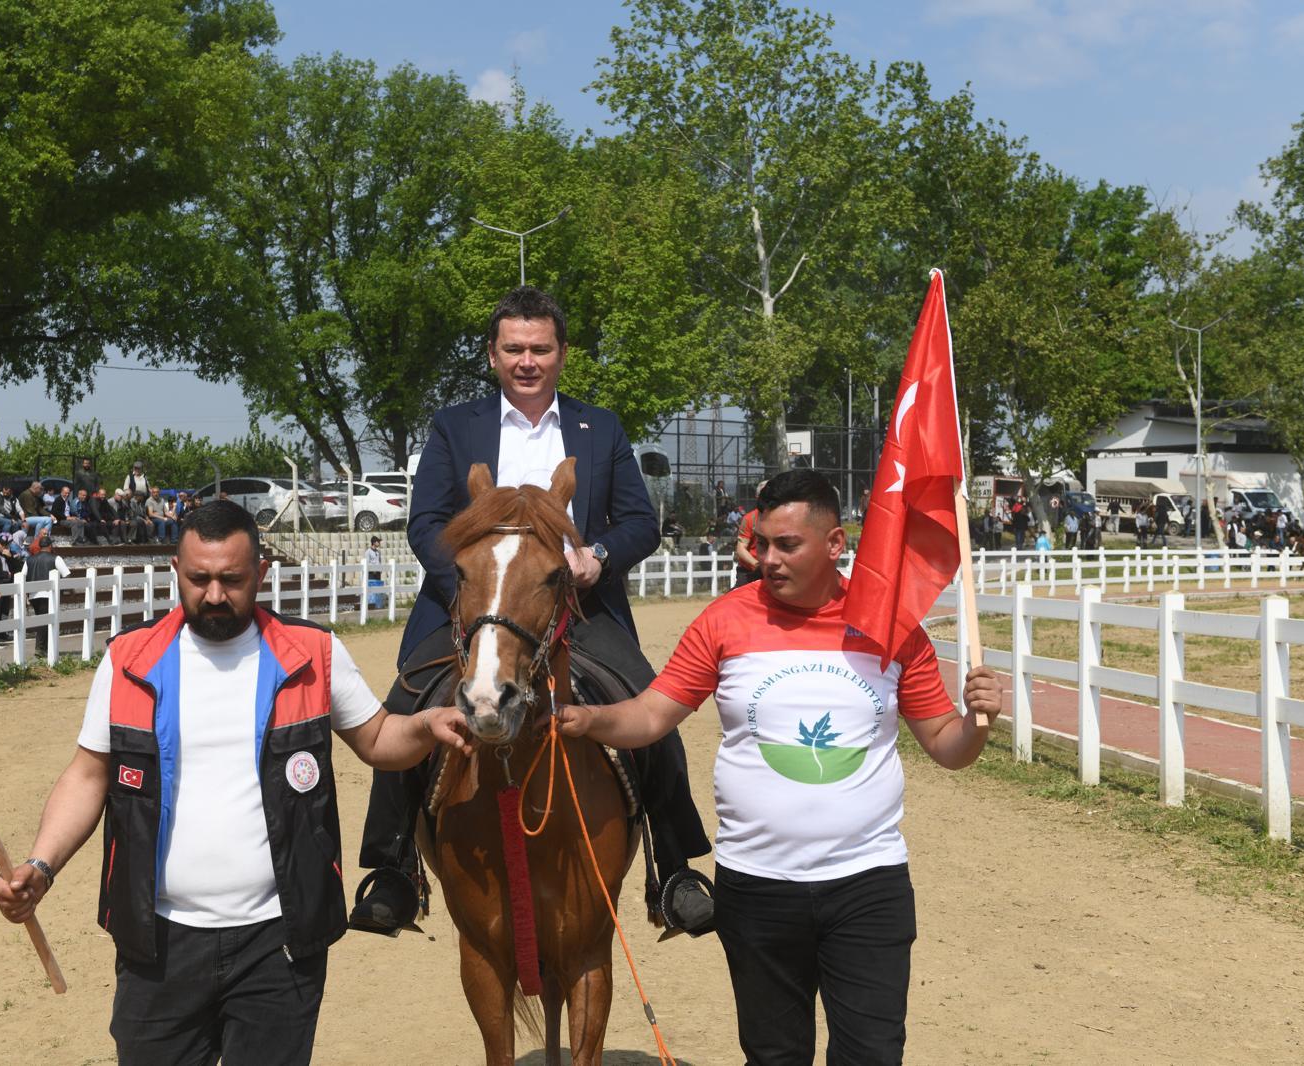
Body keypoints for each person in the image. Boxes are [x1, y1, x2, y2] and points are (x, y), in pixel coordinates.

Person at [0, 501, 471, 1065]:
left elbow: (379, 739)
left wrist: (424, 726)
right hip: (158, 941)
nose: (214, 595)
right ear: (176, 570)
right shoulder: (129, 660)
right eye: (199, 579)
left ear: (261, 573)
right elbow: (88, 774)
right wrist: (42, 865)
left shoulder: (313, 652)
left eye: (232, 579)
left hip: (280, 943)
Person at [552, 470, 1004, 1065]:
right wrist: (588, 718)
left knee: (872, 1055)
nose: (767, 559)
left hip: (868, 886)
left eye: (787, 545)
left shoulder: (893, 627)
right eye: (761, 543)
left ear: (835, 543)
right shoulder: (723, 620)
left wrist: (975, 723)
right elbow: (652, 715)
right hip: (755, 887)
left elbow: (947, 746)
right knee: (773, 1057)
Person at [348, 285, 714, 937]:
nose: (527, 361)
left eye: (540, 349)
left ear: (562, 353)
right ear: (492, 354)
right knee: (405, 705)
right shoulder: (453, 426)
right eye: (514, 348)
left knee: (648, 708)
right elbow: (426, 522)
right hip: (474, 607)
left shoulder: (600, 427)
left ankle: (672, 867)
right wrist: (475, 587)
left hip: (578, 607)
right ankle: (395, 866)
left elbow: (638, 521)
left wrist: (598, 555)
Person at [23, 535, 72, 658]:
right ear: (50, 545)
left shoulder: (29, 560)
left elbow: (23, 576)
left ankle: (44, 648)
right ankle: (40, 649)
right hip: (49, 594)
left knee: (42, 620)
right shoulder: (56, 558)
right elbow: (67, 575)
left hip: (33, 595)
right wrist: (66, 590)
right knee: (45, 622)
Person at [363, 535, 385, 610]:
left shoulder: (378, 552)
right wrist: (373, 569)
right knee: (371, 588)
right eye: (378, 541)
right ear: (374, 542)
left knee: (377, 588)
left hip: (378, 572)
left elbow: (379, 561)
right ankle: (371, 604)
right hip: (371, 573)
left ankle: (377, 604)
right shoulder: (368, 552)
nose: (379, 543)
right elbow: (367, 562)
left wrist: (380, 569)